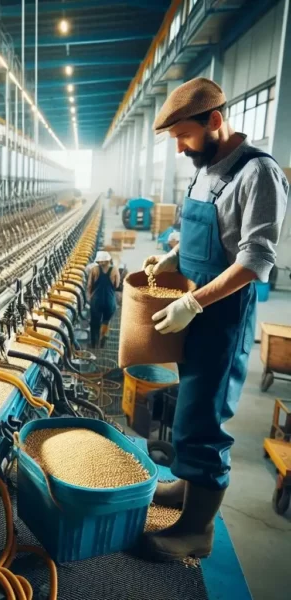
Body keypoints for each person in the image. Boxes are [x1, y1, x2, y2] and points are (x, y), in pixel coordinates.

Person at [141, 78, 288, 561]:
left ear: (215, 122)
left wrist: (192, 303)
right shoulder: (204, 168)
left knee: (206, 422)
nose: (180, 147)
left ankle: (196, 530)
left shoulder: (257, 173)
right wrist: (173, 259)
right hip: (197, 314)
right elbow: (205, 234)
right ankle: (187, 487)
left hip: (221, 317)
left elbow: (254, 261)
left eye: (184, 136)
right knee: (189, 409)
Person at [87, 251, 119, 348]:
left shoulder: (94, 270)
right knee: (105, 321)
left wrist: (89, 297)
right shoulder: (114, 270)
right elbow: (116, 285)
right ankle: (103, 339)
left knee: (94, 322)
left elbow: (89, 285)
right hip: (109, 300)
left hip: (97, 300)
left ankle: (93, 344)